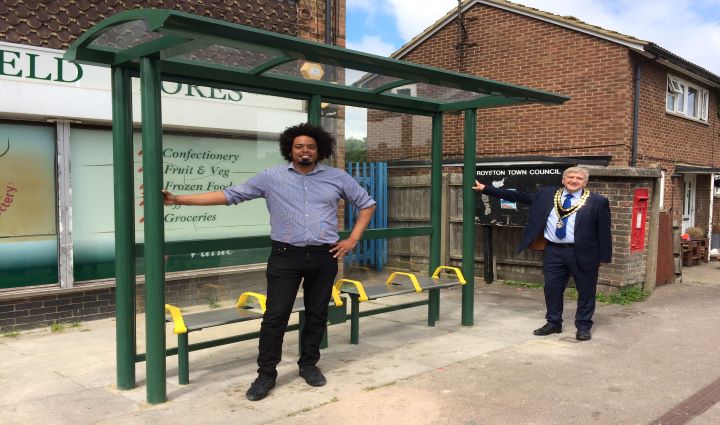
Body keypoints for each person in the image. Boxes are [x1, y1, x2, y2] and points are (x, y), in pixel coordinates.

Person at [163, 123, 376, 400]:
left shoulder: (337, 177)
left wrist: (352, 239)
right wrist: (178, 199)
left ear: (319, 149)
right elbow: (230, 195)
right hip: (285, 256)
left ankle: (309, 364)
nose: (305, 151)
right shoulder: (271, 177)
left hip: (325, 256)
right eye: (299, 146)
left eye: (310, 146)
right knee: (275, 316)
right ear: (290, 149)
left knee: (317, 313)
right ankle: (266, 374)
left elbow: (367, 204)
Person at [472, 166, 611, 341]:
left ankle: (583, 326)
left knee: (586, 291)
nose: (574, 180)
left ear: (585, 182)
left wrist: (603, 257)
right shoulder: (548, 194)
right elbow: (519, 196)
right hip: (554, 251)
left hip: (583, 252)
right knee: (551, 288)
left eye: (579, 178)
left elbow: (604, 232)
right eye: (570, 177)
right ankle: (554, 323)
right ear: (563, 180)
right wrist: (486, 189)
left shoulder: (597, 201)